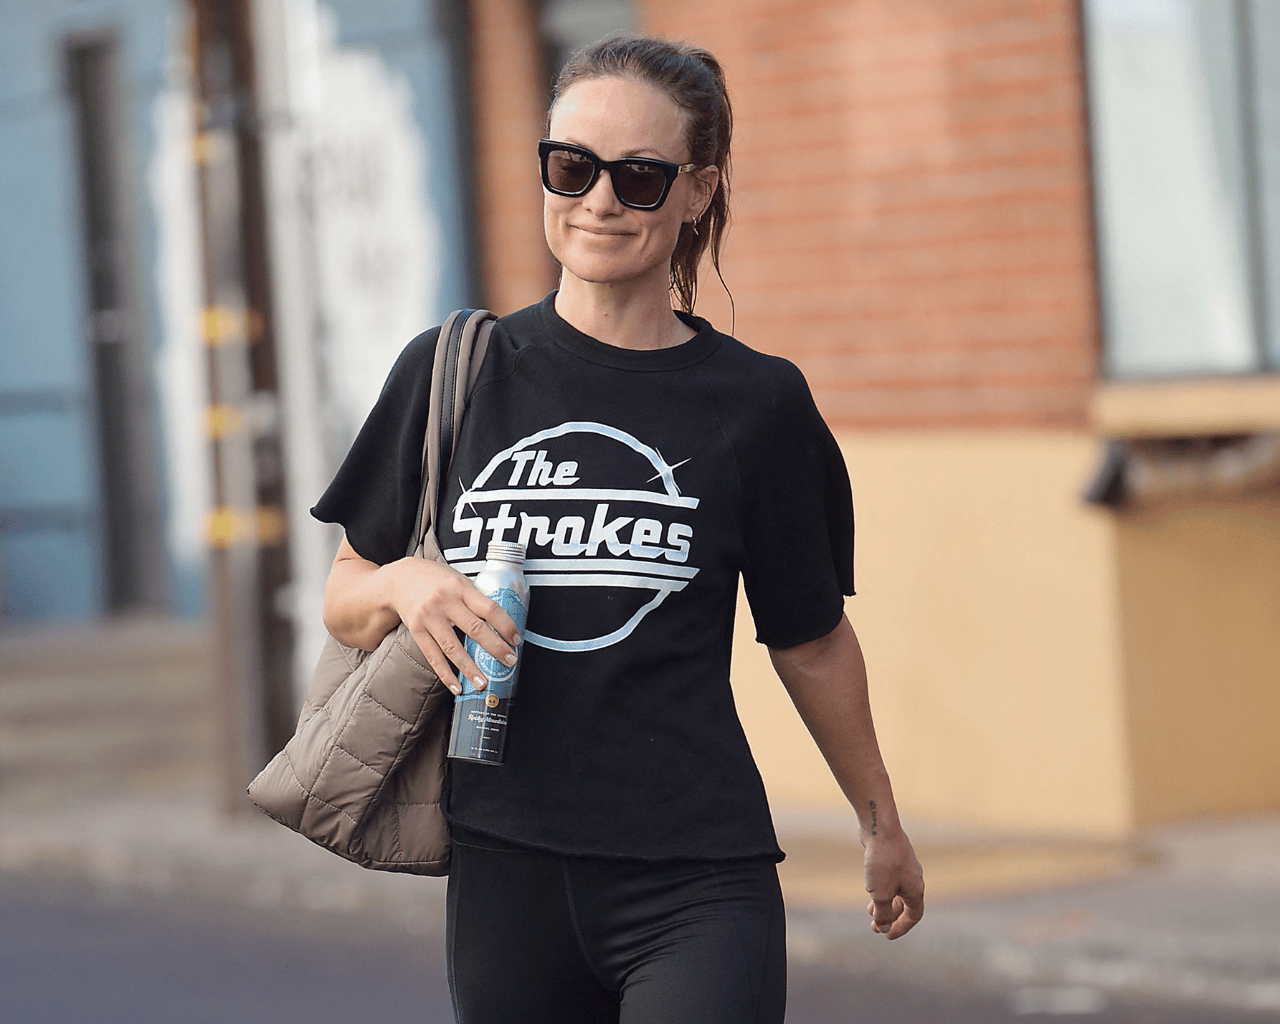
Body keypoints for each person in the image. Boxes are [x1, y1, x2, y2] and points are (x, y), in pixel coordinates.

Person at [313, 33, 924, 1024]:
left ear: (695, 191)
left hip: (696, 870)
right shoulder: (454, 370)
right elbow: (346, 596)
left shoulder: (755, 404)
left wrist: (878, 819)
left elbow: (808, 639)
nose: (597, 200)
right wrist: (402, 585)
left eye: (638, 177)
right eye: (570, 166)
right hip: (505, 868)